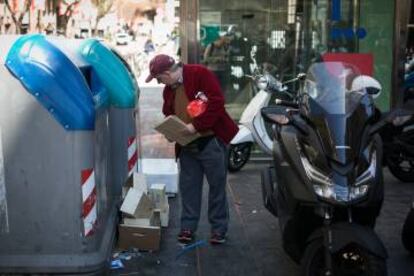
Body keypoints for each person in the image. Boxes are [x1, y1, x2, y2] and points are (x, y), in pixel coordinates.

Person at [145, 54, 238, 245]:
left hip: (210, 141)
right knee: (189, 188)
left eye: (159, 78)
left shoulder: (199, 74)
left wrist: (195, 127)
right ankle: (187, 228)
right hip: (187, 145)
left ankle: (218, 229)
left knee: (217, 188)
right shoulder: (169, 89)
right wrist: (171, 130)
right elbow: (168, 112)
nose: (160, 82)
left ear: (167, 73)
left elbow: (216, 102)